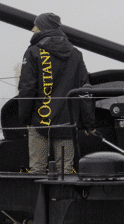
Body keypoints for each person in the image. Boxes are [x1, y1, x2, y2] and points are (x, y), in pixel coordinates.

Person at [17, 12, 92, 175]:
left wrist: (24, 118)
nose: (33, 29)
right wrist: (88, 122)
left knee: (37, 169)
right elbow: (85, 89)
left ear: (43, 27)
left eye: (35, 26)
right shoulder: (76, 54)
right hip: (67, 120)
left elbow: (27, 89)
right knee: (65, 170)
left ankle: (40, 199)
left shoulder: (33, 52)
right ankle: (64, 199)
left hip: (40, 120)